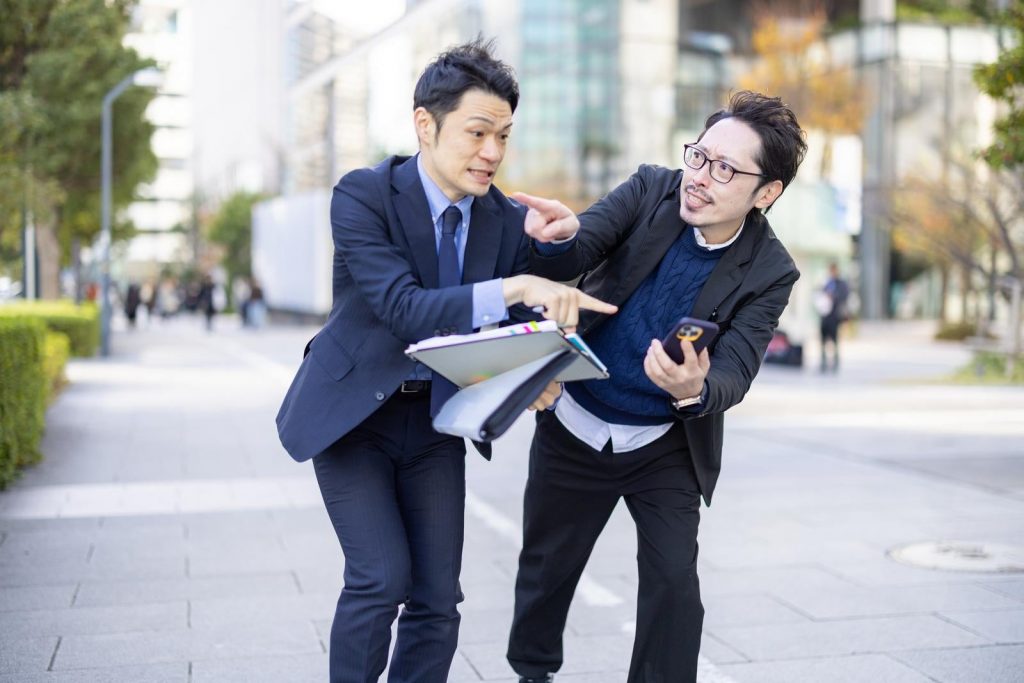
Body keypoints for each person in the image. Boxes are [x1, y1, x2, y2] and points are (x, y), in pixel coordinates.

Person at [275, 40, 615, 683]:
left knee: (437, 600)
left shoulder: (502, 218)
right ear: (425, 125)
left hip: (434, 424)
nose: (492, 152)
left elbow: (507, 322)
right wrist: (515, 288)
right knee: (380, 579)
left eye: (504, 136)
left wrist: (532, 372)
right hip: (353, 419)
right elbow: (403, 308)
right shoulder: (364, 195)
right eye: (477, 132)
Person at [506, 91, 807, 683]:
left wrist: (695, 387)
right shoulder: (651, 190)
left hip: (662, 442)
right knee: (546, 569)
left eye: (726, 170)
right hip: (576, 419)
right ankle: (531, 672)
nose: (701, 177)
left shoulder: (771, 269)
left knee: (673, 584)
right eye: (699, 156)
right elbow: (581, 245)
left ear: (766, 193)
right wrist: (559, 237)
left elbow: (735, 369)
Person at [817, 262, 850, 372]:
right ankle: (823, 363)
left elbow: (844, 296)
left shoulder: (841, 284)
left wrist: (834, 296)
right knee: (823, 340)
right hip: (825, 316)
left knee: (835, 341)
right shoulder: (826, 282)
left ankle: (835, 363)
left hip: (834, 316)